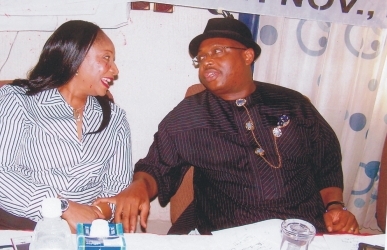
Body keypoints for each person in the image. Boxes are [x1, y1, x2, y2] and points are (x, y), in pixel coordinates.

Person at [95, 16, 359, 235]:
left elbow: (326, 159)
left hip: (300, 230)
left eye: (217, 51)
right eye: (201, 58)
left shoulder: (292, 104)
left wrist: (335, 206)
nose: (206, 60)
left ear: (247, 56)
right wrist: (139, 186)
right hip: (228, 232)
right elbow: (156, 166)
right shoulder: (190, 114)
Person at [0, 20, 133, 233]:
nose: (115, 69)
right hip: (11, 219)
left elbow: (117, 188)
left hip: (84, 227)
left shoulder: (116, 120)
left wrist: (96, 214)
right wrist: (64, 208)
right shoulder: (17, 100)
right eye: (106, 58)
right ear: (76, 56)